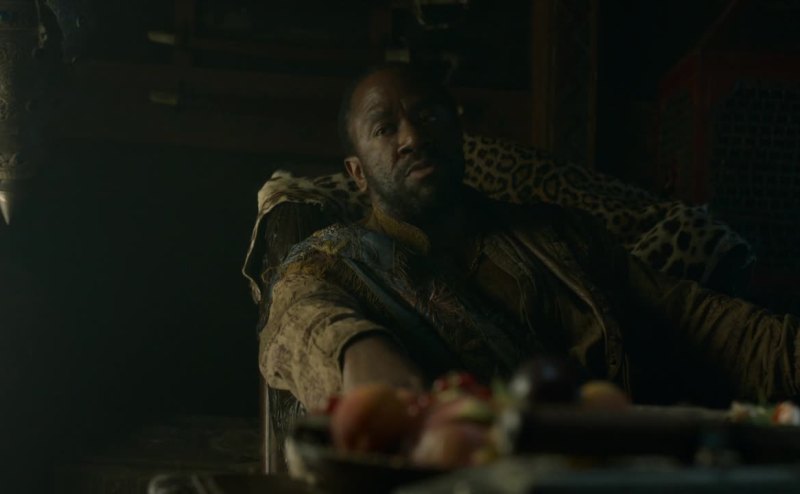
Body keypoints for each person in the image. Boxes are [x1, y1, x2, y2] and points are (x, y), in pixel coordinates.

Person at [259, 63, 800, 412]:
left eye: (428, 116)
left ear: (458, 132)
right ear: (357, 173)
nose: (414, 136)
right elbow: (299, 320)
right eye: (385, 127)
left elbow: (695, 319)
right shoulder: (335, 261)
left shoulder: (557, 236)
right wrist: (356, 352)